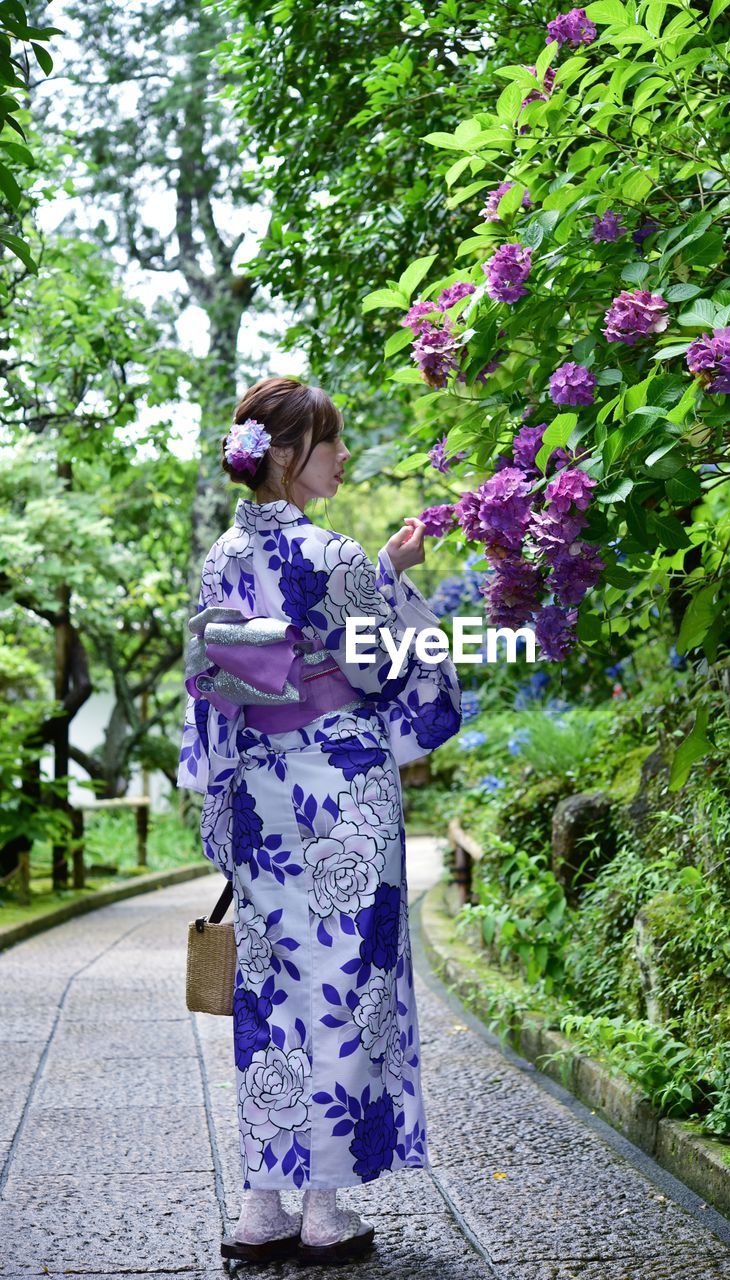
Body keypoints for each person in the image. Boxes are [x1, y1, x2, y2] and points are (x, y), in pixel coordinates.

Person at [176, 376, 462, 1267]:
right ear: (290, 455)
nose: (342, 456)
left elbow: (218, 686)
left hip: (265, 790)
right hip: (342, 785)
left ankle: (263, 1207)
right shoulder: (334, 553)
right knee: (350, 987)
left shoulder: (224, 555)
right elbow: (382, 668)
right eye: (331, 443)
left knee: (273, 992)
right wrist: (396, 574)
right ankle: (326, 1211)